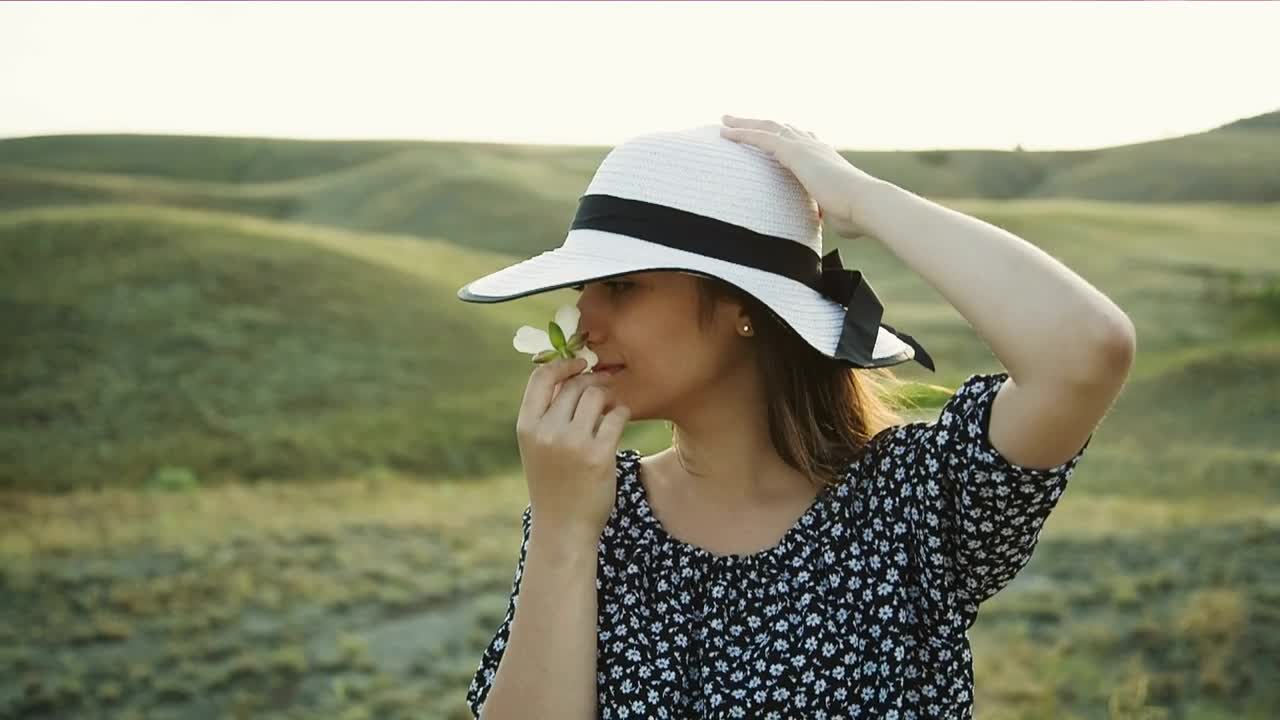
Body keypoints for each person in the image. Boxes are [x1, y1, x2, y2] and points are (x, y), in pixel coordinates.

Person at [454, 118, 1135, 719]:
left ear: (742, 307)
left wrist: (859, 199)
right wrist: (562, 528)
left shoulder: (909, 507)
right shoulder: (595, 510)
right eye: (586, 287)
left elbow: (1087, 350)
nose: (583, 321)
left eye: (622, 285)